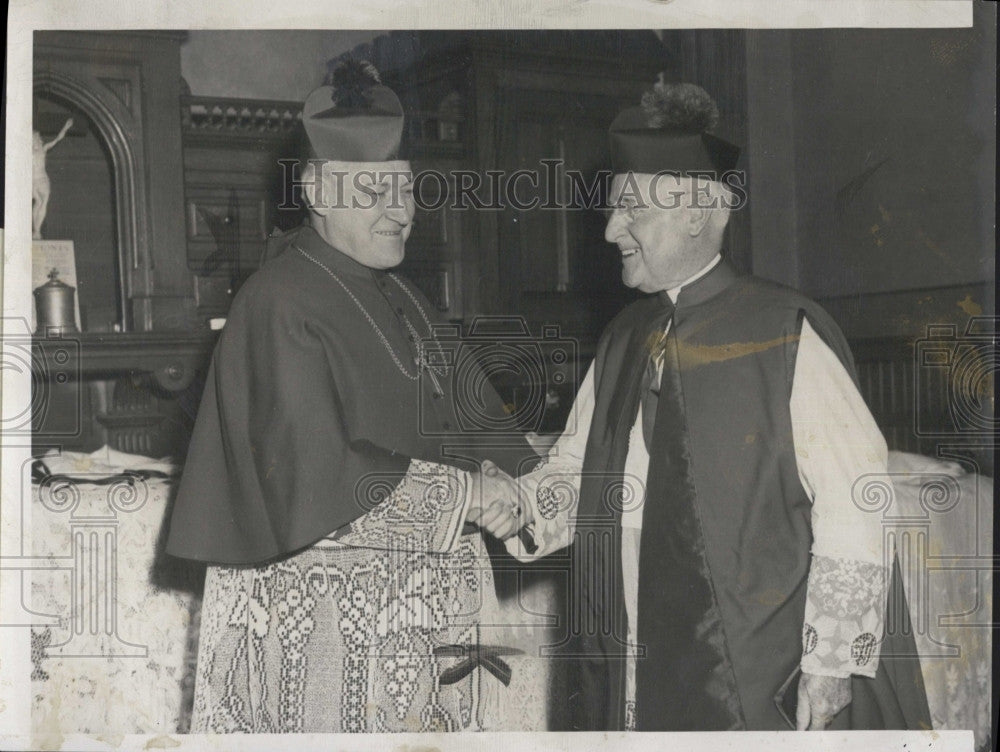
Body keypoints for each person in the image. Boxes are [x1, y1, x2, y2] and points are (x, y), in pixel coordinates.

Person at [486, 80, 932, 731]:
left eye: (629, 211)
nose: (610, 231)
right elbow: (577, 471)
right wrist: (522, 506)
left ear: (695, 214)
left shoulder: (782, 331)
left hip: (752, 663)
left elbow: (855, 496)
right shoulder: (622, 337)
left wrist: (831, 662)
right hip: (631, 640)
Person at [165, 61, 537, 733]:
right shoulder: (277, 301)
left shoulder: (399, 294)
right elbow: (318, 470)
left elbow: (478, 416)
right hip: (330, 636)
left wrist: (533, 483)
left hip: (423, 619)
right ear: (317, 189)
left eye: (407, 188)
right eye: (374, 191)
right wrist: (470, 496)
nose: (401, 211)